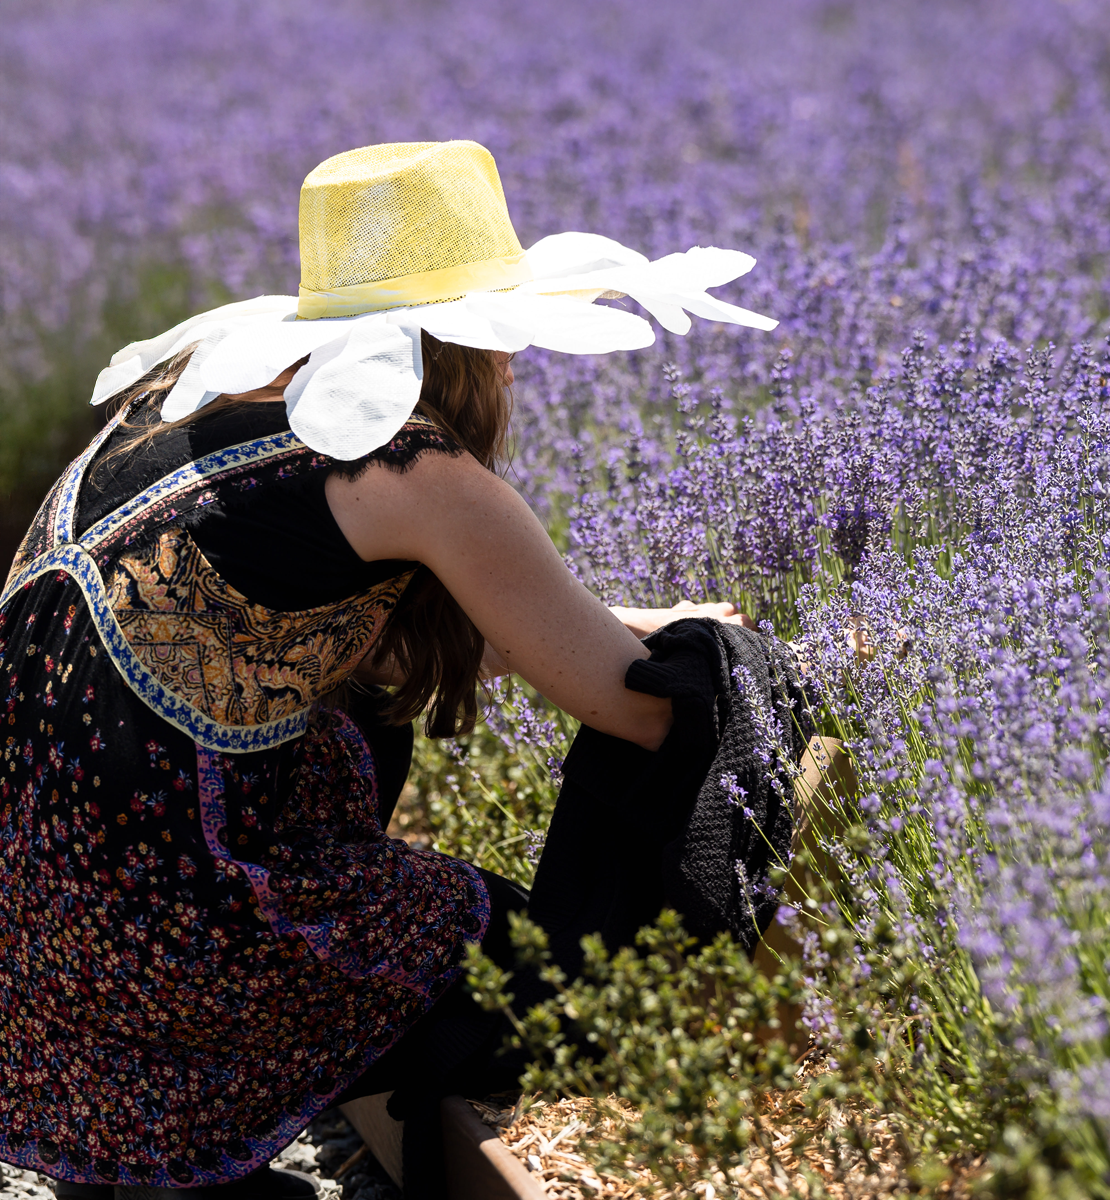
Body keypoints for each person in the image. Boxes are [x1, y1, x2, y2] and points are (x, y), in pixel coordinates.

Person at [0, 140, 776, 1198]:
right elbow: (629, 705)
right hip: (176, 939)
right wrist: (731, 660)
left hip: (37, 925)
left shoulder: (194, 403)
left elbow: (378, 641)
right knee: (533, 980)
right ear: (481, 342)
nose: (513, 370)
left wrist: (636, 613)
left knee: (357, 710)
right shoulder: (412, 468)